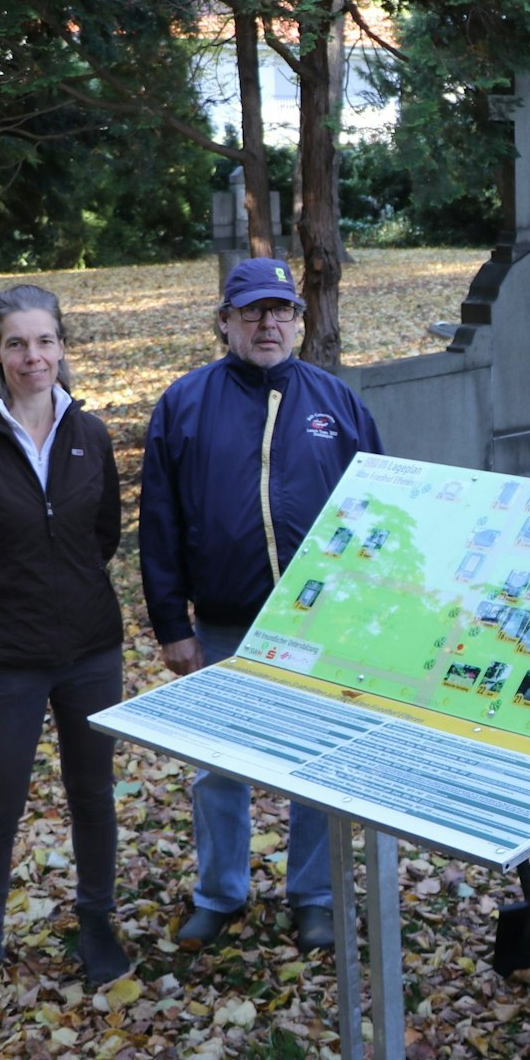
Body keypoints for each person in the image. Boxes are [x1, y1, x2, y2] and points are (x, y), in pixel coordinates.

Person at [140, 257, 383, 952]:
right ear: (224, 322)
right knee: (219, 765)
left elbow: (378, 517)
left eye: (281, 311)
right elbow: (158, 521)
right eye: (251, 311)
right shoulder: (184, 404)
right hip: (224, 622)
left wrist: (371, 615)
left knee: (317, 761)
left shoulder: (338, 404)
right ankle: (220, 893)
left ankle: (314, 893)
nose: (268, 323)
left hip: (322, 626)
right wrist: (170, 624)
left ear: (299, 322)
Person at [0, 286, 130, 1004]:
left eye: (44, 341)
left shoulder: (90, 433)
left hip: (92, 652)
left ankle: (97, 924)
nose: (32, 357)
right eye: (16, 344)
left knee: (93, 796)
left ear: (62, 346)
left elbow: (105, 533)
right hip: (4, 661)